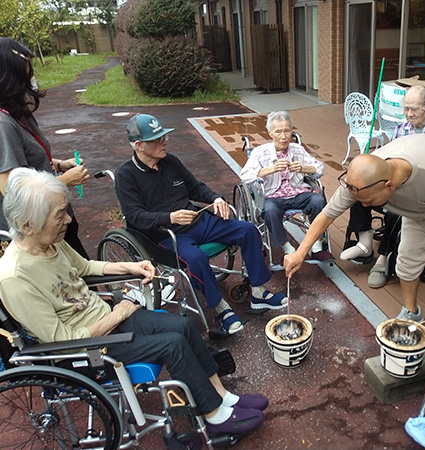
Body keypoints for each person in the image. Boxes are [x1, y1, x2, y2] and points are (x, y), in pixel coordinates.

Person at [0, 168, 268, 437]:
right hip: (89, 349)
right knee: (172, 344)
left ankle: (222, 397)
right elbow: (60, 340)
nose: (69, 219)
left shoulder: (49, 243)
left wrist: (132, 266)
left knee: (183, 326)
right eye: (60, 214)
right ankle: (215, 416)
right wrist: (119, 313)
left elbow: (83, 266)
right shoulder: (15, 278)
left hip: (107, 319)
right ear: (27, 225)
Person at [115, 113, 287, 336]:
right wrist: (170, 218)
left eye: (164, 136)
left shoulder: (171, 162)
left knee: (248, 230)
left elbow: (195, 188)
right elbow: (134, 216)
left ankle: (258, 293)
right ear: (139, 145)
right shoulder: (126, 175)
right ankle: (221, 309)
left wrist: (216, 198)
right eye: (157, 139)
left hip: (197, 221)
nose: (165, 141)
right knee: (195, 258)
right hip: (164, 235)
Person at [284, 134, 425, 326]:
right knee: (407, 262)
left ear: (389, 186)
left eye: (368, 201)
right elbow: (326, 215)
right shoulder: (360, 180)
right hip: (421, 204)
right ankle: (411, 313)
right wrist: (300, 253)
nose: (366, 206)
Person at [341, 85, 425, 291]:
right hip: (396, 184)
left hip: (424, 196)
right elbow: (388, 162)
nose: (409, 114)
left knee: (395, 213)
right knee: (361, 191)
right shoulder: (401, 129)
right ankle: (365, 243)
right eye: (406, 109)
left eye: (414, 109)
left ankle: (382, 259)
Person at [0, 37, 90, 258]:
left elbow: (26, 160)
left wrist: (58, 164)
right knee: (70, 285)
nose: (32, 78)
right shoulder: (3, 125)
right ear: (12, 77)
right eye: (28, 73)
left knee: (80, 277)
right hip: (38, 231)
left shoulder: (18, 113)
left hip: (55, 219)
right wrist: (66, 181)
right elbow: (12, 191)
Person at [240, 111, 332, 261]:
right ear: (270, 133)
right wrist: (271, 169)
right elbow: (244, 176)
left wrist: (303, 168)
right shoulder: (259, 152)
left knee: (318, 200)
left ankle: (317, 247)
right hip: (272, 196)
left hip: (298, 192)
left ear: (291, 131)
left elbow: (320, 168)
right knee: (269, 209)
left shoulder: (297, 150)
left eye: (287, 131)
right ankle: (288, 249)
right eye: (278, 132)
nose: (284, 136)